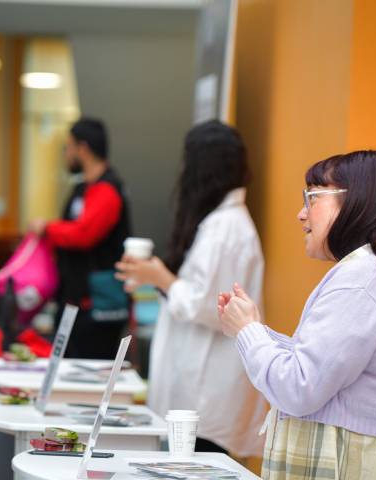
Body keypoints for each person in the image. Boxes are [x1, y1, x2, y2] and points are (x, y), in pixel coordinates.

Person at [218, 151, 376, 479]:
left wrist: (248, 331)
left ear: (359, 201)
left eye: (312, 196)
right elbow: (321, 365)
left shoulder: (363, 277)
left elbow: (297, 389)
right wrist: (253, 329)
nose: (301, 213)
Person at [115, 120, 267, 456]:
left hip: (207, 393)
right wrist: (154, 278)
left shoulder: (225, 229)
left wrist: (162, 278)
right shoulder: (220, 223)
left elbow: (209, 306)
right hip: (201, 388)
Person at [31, 117, 131, 359]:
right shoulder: (84, 188)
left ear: (82, 149)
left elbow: (84, 234)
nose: (66, 154)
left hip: (96, 309)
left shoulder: (107, 190)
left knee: (85, 375)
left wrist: (47, 228)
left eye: (69, 147)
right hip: (75, 303)